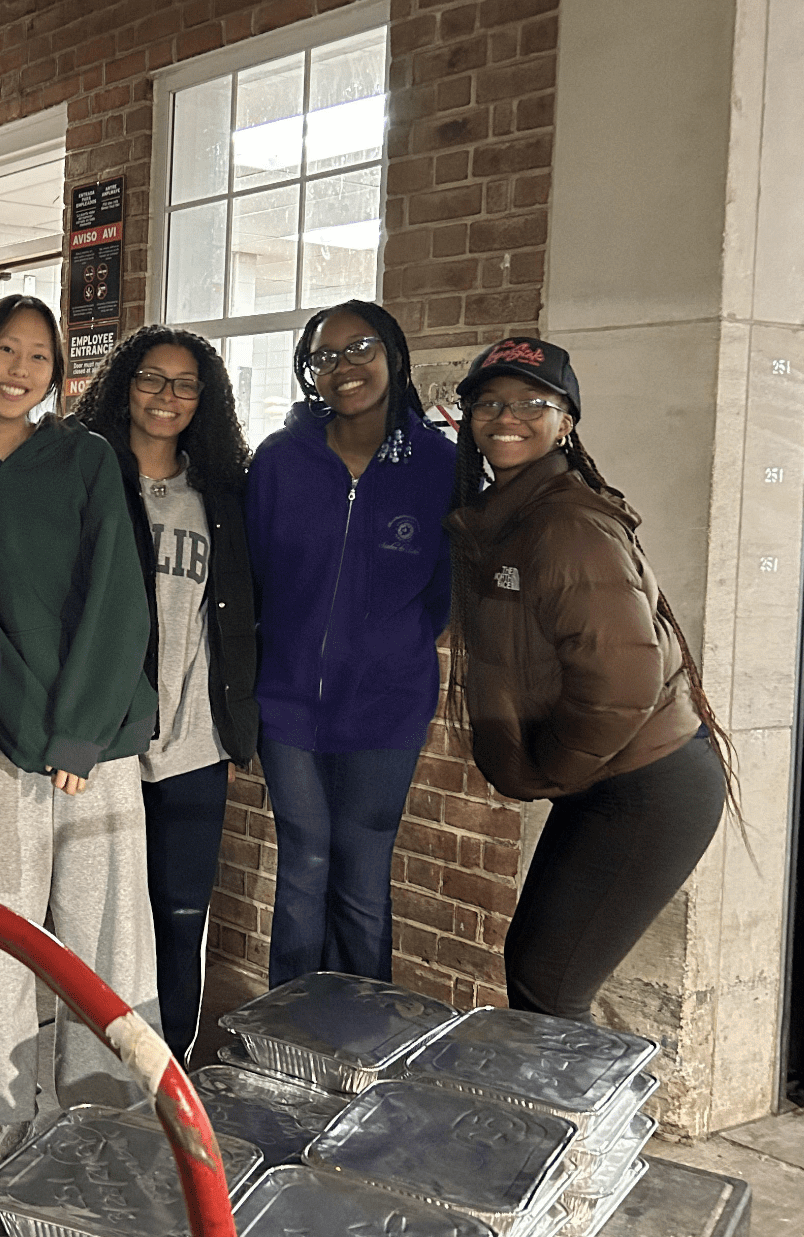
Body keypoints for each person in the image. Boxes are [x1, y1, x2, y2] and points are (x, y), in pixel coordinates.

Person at [0, 292, 158, 1190]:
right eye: (4, 350)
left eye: (38, 356)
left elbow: (117, 595)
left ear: (58, 374)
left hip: (88, 740)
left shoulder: (87, 459)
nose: (19, 370)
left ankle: (104, 1109)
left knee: (107, 931)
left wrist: (77, 732)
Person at [447, 337, 730, 1022]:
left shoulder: (564, 522)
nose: (506, 416)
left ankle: (580, 1127)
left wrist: (552, 773)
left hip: (647, 784)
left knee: (549, 981)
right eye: (489, 402)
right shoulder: (510, 512)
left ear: (565, 421)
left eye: (530, 403)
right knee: (540, 968)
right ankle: (570, 1123)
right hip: (612, 777)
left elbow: (622, 683)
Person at [242, 300, 456, 989]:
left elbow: (441, 594)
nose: (344, 367)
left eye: (359, 347)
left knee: (363, 881)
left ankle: (363, 1037)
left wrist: (387, 655)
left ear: (393, 353)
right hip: (286, 704)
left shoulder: (438, 466)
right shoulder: (280, 460)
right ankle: (290, 1036)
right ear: (309, 374)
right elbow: (256, 574)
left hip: (387, 708)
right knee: (303, 865)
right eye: (324, 356)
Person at [74, 326, 259, 1063]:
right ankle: (98, 1070)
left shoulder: (221, 493)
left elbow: (246, 611)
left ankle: (169, 1065)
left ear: (203, 399)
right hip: (108, 744)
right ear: (125, 383)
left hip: (194, 744)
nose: (167, 396)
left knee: (181, 917)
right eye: (152, 378)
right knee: (101, 923)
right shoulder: (86, 475)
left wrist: (238, 723)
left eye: (185, 384)